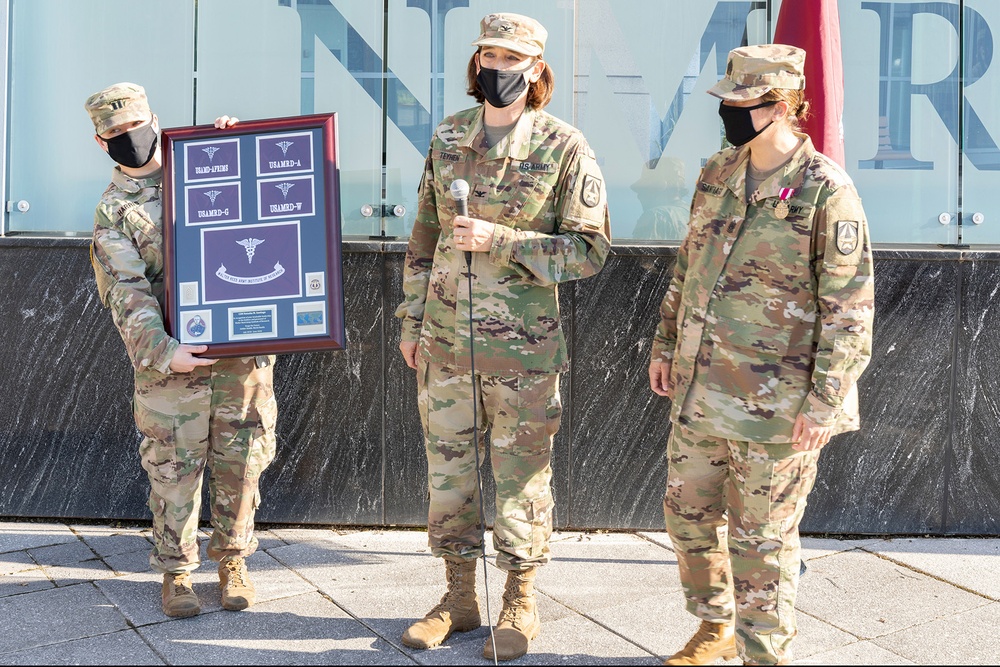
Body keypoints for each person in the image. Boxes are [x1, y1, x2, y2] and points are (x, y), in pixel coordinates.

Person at [648, 45, 874, 665]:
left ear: (781, 106)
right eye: (726, 100)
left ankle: (764, 654)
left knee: (763, 543)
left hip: (780, 405)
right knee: (686, 516)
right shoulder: (717, 173)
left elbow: (850, 308)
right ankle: (715, 626)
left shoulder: (826, 190)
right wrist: (666, 344)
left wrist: (824, 403)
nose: (727, 111)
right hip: (702, 388)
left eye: (739, 103)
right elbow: (687, 267)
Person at [395, 13, 611, 662]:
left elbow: (590, 250)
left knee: (520, 480)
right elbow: (423, 239)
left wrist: (503, 242)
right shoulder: (450, 136)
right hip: (445, 346)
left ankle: (520, 598)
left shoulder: (562, 146)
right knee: (449, 477)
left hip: (522, 351)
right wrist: (411, 322)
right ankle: (459, 597)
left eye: (511, 57)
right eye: (488, 54)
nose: (496, 66)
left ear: (536, 70)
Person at [85, 83, 278, 618]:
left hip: (240, 357)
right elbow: (127, 292)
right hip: (171, 368)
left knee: (242, 465)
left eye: (137, 124)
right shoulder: (114, 211)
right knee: (173, 474)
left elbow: (274, 213)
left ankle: (233, 561)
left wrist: (239, 149)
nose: (131, 138)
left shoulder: (202, 168)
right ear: (102, 143)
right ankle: (177, 573)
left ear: (155, 118)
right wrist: (164, 351)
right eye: (116, 133)